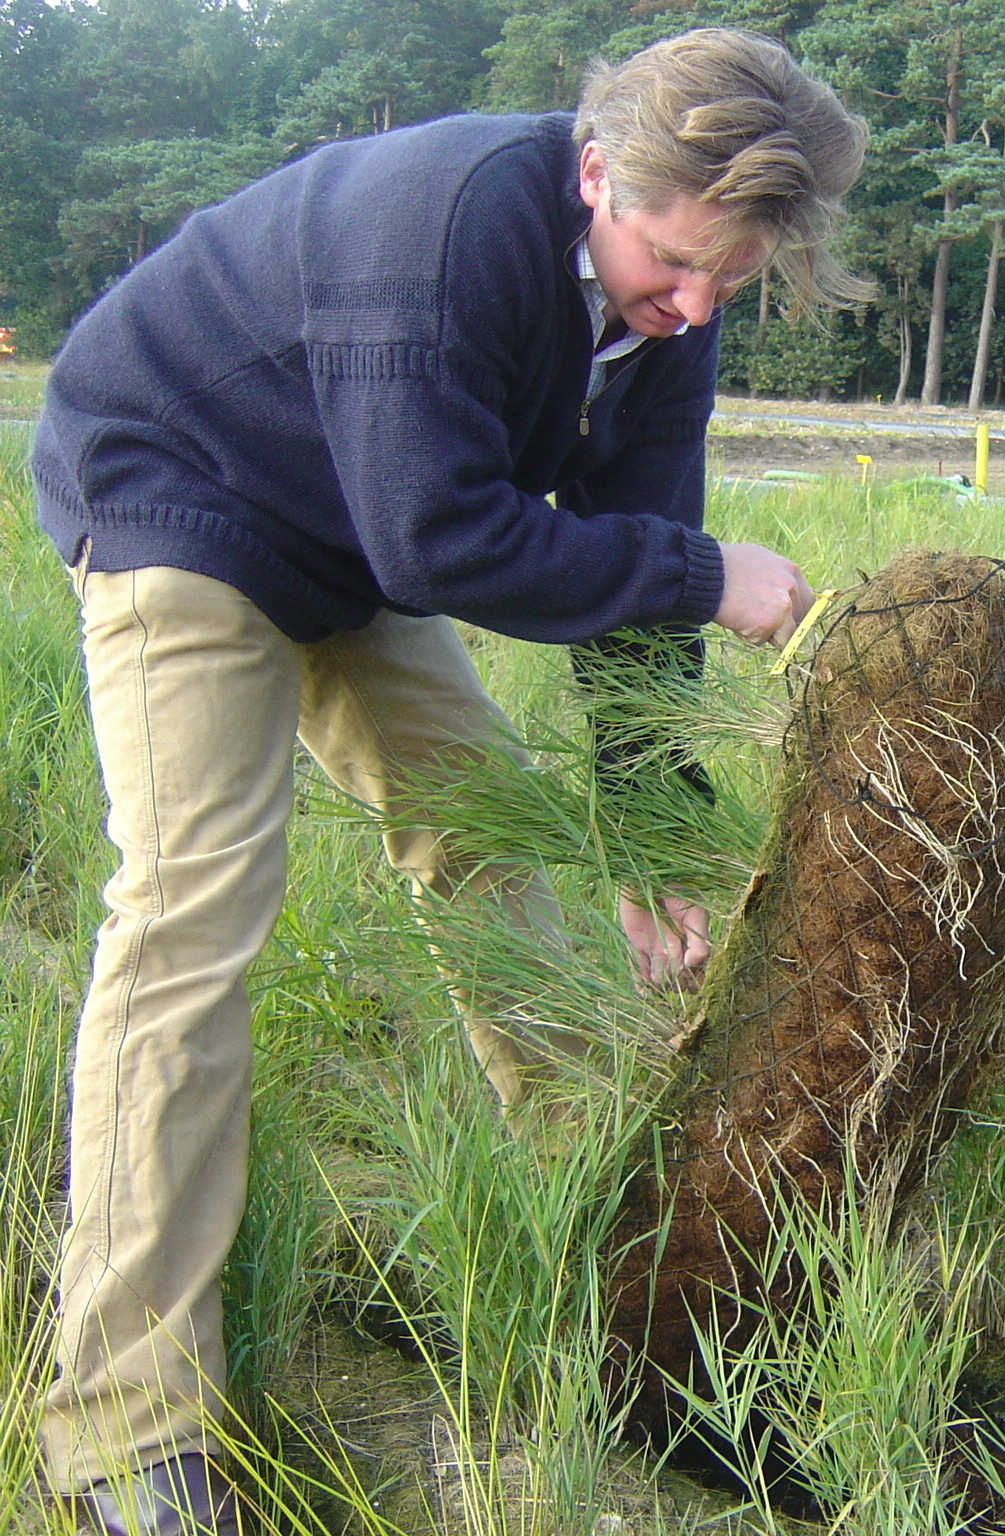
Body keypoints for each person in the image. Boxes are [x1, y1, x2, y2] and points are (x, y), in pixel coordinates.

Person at [28, 29, 867, 1535]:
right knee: (190, 920)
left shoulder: (677, 302)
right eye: (671, 266)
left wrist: (652, 829)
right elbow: (448, 543)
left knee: (498, 843)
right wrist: (705, 572)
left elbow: (633, 569)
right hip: (184, 490)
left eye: (728, 285)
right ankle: (125, 1440)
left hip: (352, 527)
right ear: (595, 171)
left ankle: (614, 1270)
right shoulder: (451, 225)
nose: (691, 311)